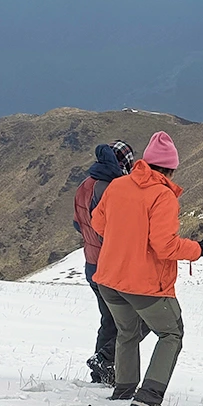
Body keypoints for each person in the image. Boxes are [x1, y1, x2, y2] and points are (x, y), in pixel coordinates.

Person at [91, 131, 203, 406]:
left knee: (127, 331)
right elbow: (165, 246)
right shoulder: (163, 196)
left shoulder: (118, 186)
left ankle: (124, 390)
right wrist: (200, 248)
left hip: (109, 278)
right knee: (171, 333)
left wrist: (126, 238)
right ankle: (148, 397)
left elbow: (98, 224)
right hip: (144, 284)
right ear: (170, 168)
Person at [72, 140, 132, 384]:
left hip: (90, 263)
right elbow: (113, 230)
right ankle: (105, 363)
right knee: (126, 321)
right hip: (110, 265)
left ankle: (100, 373)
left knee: (108, 320)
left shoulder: (85, 185)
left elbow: (78, 223)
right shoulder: (112, 189)